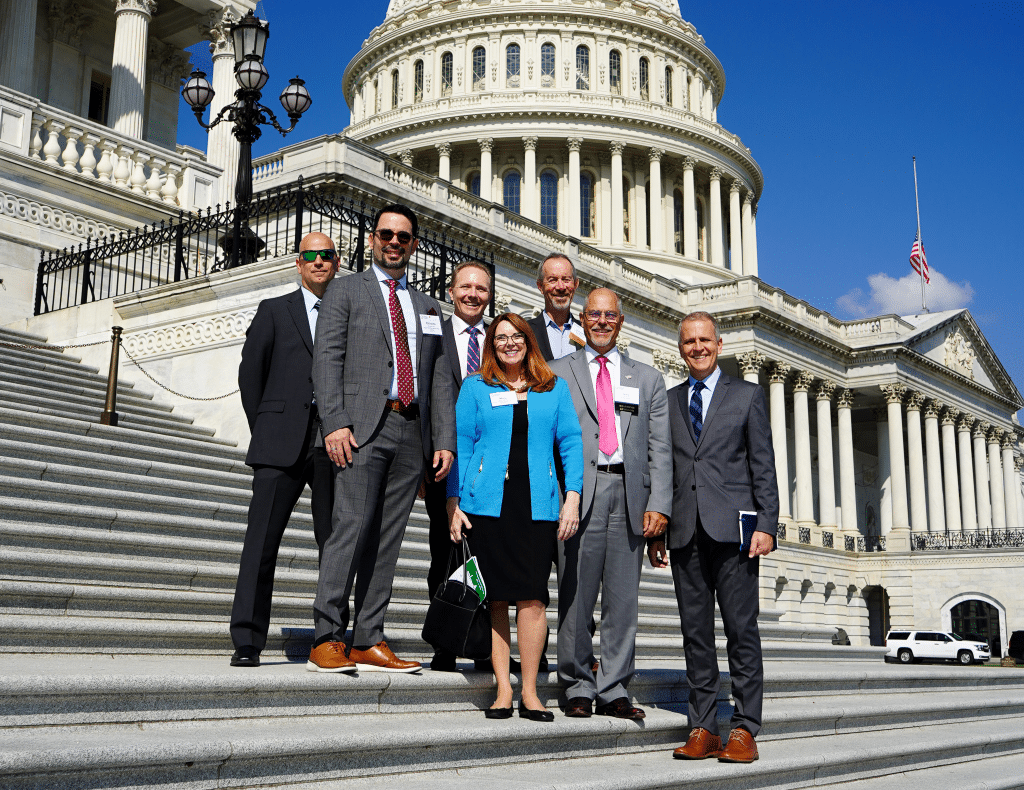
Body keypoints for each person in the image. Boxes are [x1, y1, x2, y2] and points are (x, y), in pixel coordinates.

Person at [310, 204, 456, 674]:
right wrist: (334, 421)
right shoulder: (346, 289)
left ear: (414, 245)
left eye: (404, 237)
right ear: (372, 239)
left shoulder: (428, 306)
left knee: (389, 538)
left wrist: (443, 439)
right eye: (386, 234)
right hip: (361, 427)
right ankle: (326, 635)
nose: (395, 242)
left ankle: (369, 636)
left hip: (410, 431)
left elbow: (436, 378)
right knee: (349, 527)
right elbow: (327, 358)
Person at [647, 311, 779, 763]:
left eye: (705, 340)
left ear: (719, 345)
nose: (697, 348)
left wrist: (767, 525)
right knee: (695, 634)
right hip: (685, 530)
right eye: (689, 342)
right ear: (680, 347)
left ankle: (744, 728)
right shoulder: (669, 399)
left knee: (742, 631)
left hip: (736, 532)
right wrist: (658, 527)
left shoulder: (747, 396)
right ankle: (703, 725)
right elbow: (661, 470)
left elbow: (763, 466)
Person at [446, 313, 583, 721]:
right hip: (487, 504)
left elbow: (571, 443)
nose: (509, 343)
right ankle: (503, 689)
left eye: (516, 336)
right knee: (497, 600)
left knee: (533, 598)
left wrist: (572, 497)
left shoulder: (553, 388)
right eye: (501, 337)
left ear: (528, 342)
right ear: (492, 344)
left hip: (537, 504)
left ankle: (530, 691)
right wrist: (454, 503)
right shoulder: (475, 387)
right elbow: (462, 445)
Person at [549, 288, 671, 720]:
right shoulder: (555, 372)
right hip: (579, 493)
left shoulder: (648, 378)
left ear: (621, 321)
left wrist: (660, 504)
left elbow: (660, 448)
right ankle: (577, 682)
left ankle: (615, 685)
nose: (601, 321)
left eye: (610, 315)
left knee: (623, 600)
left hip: (629, 494)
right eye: (594, 314)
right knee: (576, 595)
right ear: (582, 319)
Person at [229, 232, 340, 669]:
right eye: (311, 255)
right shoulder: (274, 310)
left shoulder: (344, 314)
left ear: (335, 262)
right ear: (298, 263)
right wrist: (267, 426)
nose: (318, 262)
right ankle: (248, 639)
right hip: (279, 442)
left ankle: (330, 635)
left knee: (334, 544)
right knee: (261, 543)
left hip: (331, 443)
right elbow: (250, 374)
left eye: (326, 255)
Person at [423, 260, 491, 672]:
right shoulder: (434, 332)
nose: (472, 294)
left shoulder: (500, 340)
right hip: (442, 460)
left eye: (481, 289)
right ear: (451, 291)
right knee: (444, 552)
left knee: (487, 557)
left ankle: (485, 646)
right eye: (465, 287)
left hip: (490, 465)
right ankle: (447, 642)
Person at [526, 253, 585, 361]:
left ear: (576, 284)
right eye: (552, 280)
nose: (560, 287)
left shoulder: (587, 333)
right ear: (540, 286)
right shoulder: (525, 331)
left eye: (566, 280)